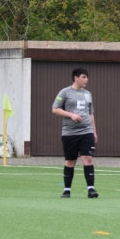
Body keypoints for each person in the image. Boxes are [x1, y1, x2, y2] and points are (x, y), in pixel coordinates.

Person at [51, 67, 99, 198]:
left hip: (86, 131)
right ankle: (67, 190)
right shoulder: (65, 92)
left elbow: (91, 113)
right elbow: (55, 109)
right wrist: (71, 115)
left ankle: (91, 189)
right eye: (83, 77)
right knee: (70, 161)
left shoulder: (88, 94)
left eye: (87, 77)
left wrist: (94, 132)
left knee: (87, 159)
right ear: (76, 78)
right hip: (69, 133)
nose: (86, 80)